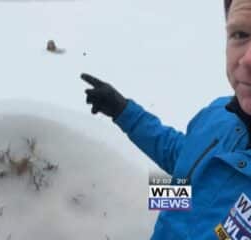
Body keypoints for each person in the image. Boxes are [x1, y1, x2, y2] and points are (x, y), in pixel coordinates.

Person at [82, 0, 251, 239]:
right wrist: (126, 113)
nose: (248, 59)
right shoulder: (219, 113)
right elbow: (184, 162)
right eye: (241, 34)